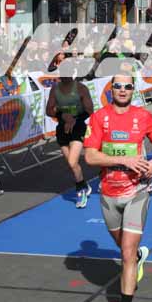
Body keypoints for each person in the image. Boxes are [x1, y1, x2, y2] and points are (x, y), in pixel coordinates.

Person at [83, 73, 152, 302]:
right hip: (109, 193)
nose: (122, 89)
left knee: (127, 254)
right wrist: (125, 160)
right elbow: (90, 156)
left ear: (133, 89)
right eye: (117, 86)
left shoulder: (143, 116)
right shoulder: (99, 118)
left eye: (127, 86)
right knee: (124, 248)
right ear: (111, 89)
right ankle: (139, 257)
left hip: (137, 191)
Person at [46, 73, 95, 208]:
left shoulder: (81, 88)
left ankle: (80, 191)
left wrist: (74, 120)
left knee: (73, 161)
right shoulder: (55, 90)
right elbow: (48, 110)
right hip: (62, 130)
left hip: (78, 128)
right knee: (71, 164)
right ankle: (84, 184)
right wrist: (62, 115)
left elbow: (90, 110)